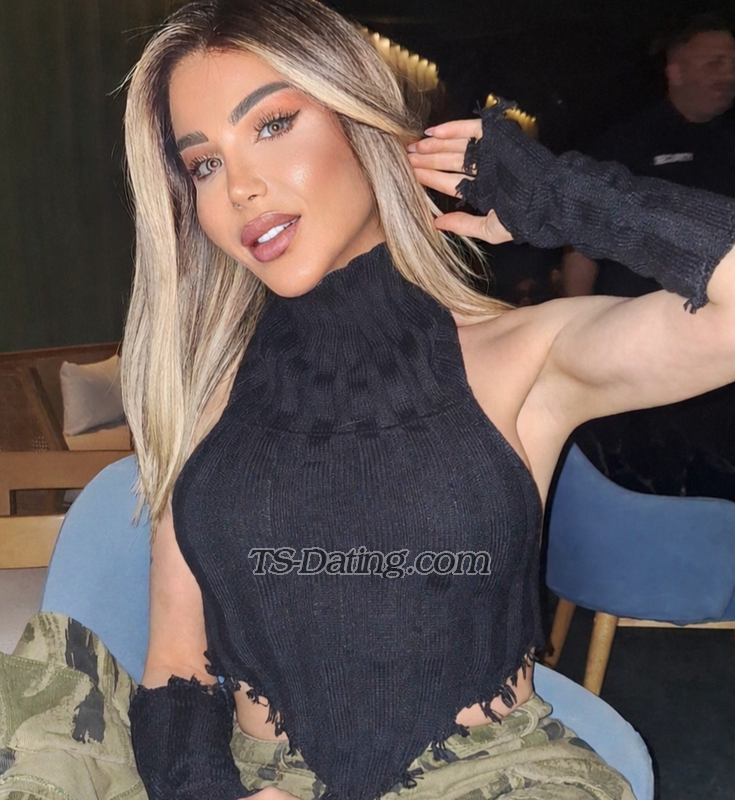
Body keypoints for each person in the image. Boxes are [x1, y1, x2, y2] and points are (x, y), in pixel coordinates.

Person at [112, 1, 735, 799]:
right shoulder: (198, 392)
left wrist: (566, 197)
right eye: (203, 164)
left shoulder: (519, 355)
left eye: (271, 125)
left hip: (494, 779)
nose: (240, 187)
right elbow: (175, 668)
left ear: (363, 127)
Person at [562, 13, 735, 297]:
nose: (728, 77)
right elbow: (582, 238)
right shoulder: (626, 144)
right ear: (676, 73)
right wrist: (576, 315)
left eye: (732, 65)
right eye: (715, 64)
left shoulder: (728, 141)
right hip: (639, 313)